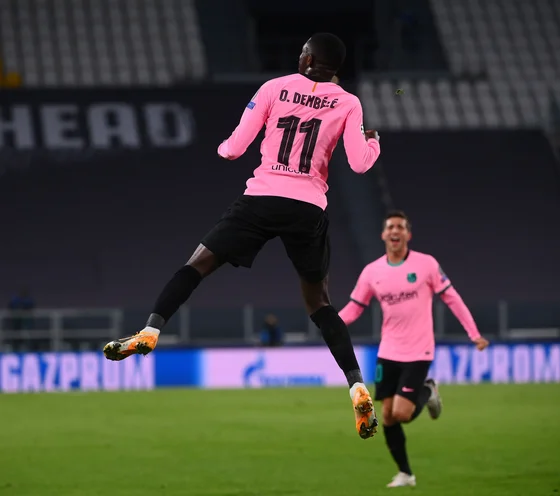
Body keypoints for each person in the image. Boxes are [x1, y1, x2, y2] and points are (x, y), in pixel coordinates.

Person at [102, 33, 381, 440]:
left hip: (262, 197)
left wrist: (221, 148)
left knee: (196, 266)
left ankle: (151, 330)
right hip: (307, 207)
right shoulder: (348, 102)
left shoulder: (274, 87)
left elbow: (233, 150)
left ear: (310, 58)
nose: (299, 53)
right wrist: (373, 143)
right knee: (319, 304)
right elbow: (359, 164)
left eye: (302, 49)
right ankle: (356, 384)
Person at [338, 211, 490, 486]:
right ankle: (406, 474)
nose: (395, 231)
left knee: (402, 414)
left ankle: (428, 390)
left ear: (408, 234)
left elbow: (452, 298)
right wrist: (331, 325)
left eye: (400, 227)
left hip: (419, 350)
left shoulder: (426, 265)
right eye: (390, 227)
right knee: (386, 416)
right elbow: (355, 308)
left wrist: (474, 333)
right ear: (384, 235)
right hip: (388, 351)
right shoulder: (372, 272)